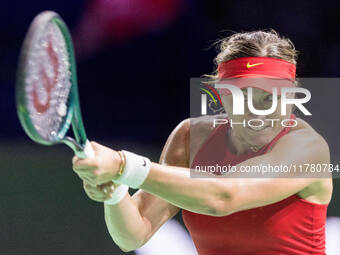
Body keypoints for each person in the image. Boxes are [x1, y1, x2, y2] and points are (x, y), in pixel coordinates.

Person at [72, 30, 332, 254]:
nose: (257, 112)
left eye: (269, 99)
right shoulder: (190, 137)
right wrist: (116, 192)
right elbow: (133, 234)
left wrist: (122, 166)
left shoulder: (308, 148)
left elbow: (225, 196)